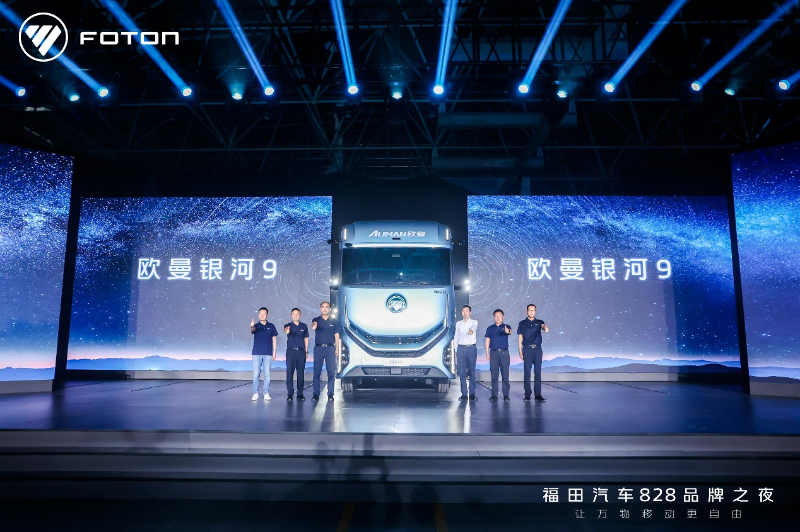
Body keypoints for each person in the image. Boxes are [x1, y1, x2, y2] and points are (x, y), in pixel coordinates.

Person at [517, 304, 550, 402]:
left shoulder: (539, 322)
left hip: (537, 349)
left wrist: (545, 327)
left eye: (533, 310)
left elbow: (543, 327)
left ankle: (538, 395)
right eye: (530, 310)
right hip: (527, 349)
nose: (531, 312)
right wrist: (520, 351)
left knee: (538, 372)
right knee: (527, 372)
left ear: (535, 311)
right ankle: (527, 394)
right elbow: (520, 338)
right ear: (527, 311)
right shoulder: (522, 323)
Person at [311, 301, 340, 402]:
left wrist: (337, 349)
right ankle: (316, 394)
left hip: (330, 348)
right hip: (318, 348)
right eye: (323, 307)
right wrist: (314, 326)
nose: (325, 308)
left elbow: (337, 335)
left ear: (330, 309)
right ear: (320, 309)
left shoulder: (334, 321)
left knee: (331, 372)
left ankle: (330, 394)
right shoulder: (316, 320)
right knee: (316, 372)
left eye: (327, 307)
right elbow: (313, 327)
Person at [250, 307, 277, 401]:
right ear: (258, 315)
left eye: (264, 313)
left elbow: (274, 339)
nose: (262, 315)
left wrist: (274, 352)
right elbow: (252, 330)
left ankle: (266, 393)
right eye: (260, 313)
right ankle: (255, 393)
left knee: (267, 375)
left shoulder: (271, 326)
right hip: (256, 353)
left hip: (268, 353)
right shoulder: (256, 326)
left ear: (267, 315)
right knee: (256, 375)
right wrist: (251, 326)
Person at [485, 309, 512, 402]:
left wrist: (507, 331)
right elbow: (487, 340)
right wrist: (487, 353)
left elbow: (510, 331)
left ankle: (506, 395)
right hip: (493, 353)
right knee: (494, 375)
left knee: (505, 375)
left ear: (502, 317)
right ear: (494, 317)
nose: (497, 318)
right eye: (496, 316)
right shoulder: (490, 328)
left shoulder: (506, 326)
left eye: (499, 316)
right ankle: (494, 395)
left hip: (504, 353)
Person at [284, 308, 309, 401]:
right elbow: (286, 331)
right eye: (294, 314)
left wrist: (306, 350)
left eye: (297, 314)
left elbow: (306, 338)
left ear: (300, 315)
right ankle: (290, 394)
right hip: (291, 351)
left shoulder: (304, 326)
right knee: (290, 373)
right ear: (291, 315)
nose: (295, 315)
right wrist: (287, 331)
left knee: (300, 373)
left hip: (301, 351)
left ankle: (300, 394)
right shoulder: (288, 325)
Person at [454, 305, 478, 401]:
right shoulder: (458, 324)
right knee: (462, 372)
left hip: (471, 348)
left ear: (470, 312)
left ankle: (472, 394)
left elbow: (473, 328)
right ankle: (464, 394)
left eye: (467, 311)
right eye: (463, 311)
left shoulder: (474, 322)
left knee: (472, 371)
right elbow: (456, 337)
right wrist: (456, 350)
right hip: (461, 348)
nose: (465, 313)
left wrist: (471, 331)